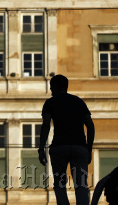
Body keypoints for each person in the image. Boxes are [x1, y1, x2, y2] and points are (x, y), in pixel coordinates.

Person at [38, 74, 95, 205]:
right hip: (79, 147)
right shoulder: (79, 102)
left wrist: (41, 148)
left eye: (51, 87)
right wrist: (89, 148)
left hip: (59, 147)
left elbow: (46, 124)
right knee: (81, 184)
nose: (51, 91)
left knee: (59, 184)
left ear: (56, 87)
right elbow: (90, 125)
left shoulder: (50, 103)